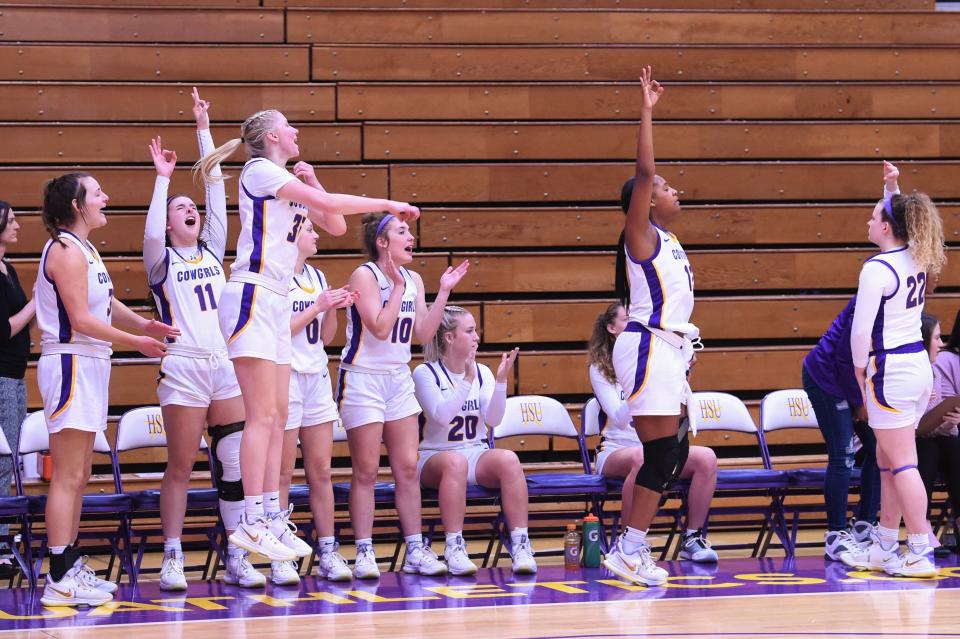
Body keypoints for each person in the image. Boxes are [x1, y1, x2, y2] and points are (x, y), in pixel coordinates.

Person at [194, 109, 419, 563]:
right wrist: (386, 205)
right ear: (274, 135)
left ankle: (271, 515)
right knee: (261, 417)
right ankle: (252, 519)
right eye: (290, 126)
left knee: (276, 417)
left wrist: (315, 185)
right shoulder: (259, 170)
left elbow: (333, 224)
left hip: (276, 298)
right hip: (252, 293)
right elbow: (339, 210)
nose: (297, 132)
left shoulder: (284, 180)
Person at [146, 89, 268, 590]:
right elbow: (153, 231)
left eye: (190, 206)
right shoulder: (161, 260)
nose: (188, 209)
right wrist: (163, 182)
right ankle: (172, 556)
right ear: (170, 220)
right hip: (183, 365)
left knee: (233, 460)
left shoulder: (213, 250)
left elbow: (215, 189)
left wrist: (204, 128)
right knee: (180, 466)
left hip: (223, 362)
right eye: (179, 207)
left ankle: (237, 553)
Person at [36, 173, 176, 606]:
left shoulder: (84, 249)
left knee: (79, 476)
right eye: (97, 193)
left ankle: (68, 563)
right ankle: (58, 575)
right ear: (77, 205)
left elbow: (105, 302)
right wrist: (135, 342)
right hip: (70, 361)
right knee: (68, 475)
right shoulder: (63, 251)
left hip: (90, 362)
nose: (106, 198)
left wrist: (142, 322)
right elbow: (80, 318)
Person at [598, 67, 699, 586]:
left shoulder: (670, 239)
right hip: (646, 348)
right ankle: (628, 549)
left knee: (675, 450)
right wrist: (646, 111)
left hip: (669, 350)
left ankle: (631, 548)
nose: (670, 187)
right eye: (662, 185)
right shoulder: (639, 235)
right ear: (645, 199)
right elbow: (643, 168)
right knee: (663, 452)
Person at [338, 213, 468, 578]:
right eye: (402, 231)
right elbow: (378, 328)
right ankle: (364, 551)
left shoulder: (414, 280)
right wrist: (395, 288)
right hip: (363, 379)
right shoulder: (365, 275)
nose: (411, 236)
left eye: (409, 231)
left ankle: (414, 548)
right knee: (365, 470)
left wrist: (443, 291)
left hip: (397, 378)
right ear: (382, 241)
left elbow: (424, 334)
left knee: (407, 469)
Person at [839, 175, 948, 578]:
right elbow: (903, 215)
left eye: (873, 217)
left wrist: (858, 372)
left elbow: (860, 331)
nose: (867, 222)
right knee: (888, 459)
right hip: (916, 366)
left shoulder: (877, 268)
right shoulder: (915, 255)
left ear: (886, 227)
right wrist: (892, 188)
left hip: (889, 369)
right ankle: (886, 544)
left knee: (902, 462)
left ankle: (920, 546)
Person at [801, 162, 901, 561]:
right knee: (842, 452)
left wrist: (893, 187)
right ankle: (835, 534)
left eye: (875, 216)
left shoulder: (891, 273)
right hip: (826, 375)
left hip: (854, 376)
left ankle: (864, 524)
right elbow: (846, 357)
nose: (868, 221)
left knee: (878, 446)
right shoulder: (871, 291)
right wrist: (860, 401)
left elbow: (906, 232)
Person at [588, 302, 718, 563]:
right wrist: (640, 383)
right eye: (628, 319)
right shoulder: (599, 369)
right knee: (641, 457)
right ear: (612, 328)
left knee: (707, 458)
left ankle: (692, 538)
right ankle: (628, 544)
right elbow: (620, 418)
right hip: (616, 449)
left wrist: (678, 376)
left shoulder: (658, 363)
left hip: (654, 449)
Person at [412, 306, 536, 575]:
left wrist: (501, 382)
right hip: (435, 456)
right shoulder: (425, 373)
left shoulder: (483, 372)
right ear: (449, 338)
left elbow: (493, 420)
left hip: (474, 453)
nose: (477, 337)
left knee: (509, 459)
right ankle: (454, 547)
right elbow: (442, 416)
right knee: (455, 463)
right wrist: (467, 380)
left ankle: (521, 544)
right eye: (469, 331)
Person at [276, 222, 355, 585]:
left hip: (317, 376)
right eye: (310, 230)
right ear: (293, 236)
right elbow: (278, 329)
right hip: (286, 376)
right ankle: (281, 554)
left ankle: (327, 549)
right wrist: (318, 306)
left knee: (321, 471)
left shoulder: (318, 275)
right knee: (281, 472)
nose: (317, 235)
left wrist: (334, 307)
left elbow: (326, 336)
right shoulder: (275, 275)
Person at [0, 201, 35, 577]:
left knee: (7, 464)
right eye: (10, 221)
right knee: (2, 461)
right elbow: (6, 328)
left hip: (14, 375)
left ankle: (4, 544)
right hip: (2, 377)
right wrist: (37, 302)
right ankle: (1, 547)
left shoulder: (7, 268)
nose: (18, 226)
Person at [918, 311, 960, 555]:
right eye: (936, 338)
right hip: (889, 444)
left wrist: (950, 421)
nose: (941, 344)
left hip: (927, 437)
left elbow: (936, 421)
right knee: (927, 448)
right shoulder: (915, 371)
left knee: (952, 444)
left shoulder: (932, 369)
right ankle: (921, 527)